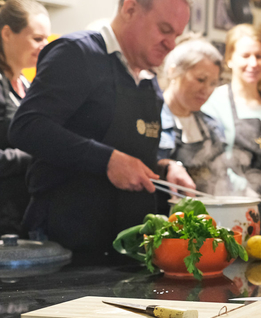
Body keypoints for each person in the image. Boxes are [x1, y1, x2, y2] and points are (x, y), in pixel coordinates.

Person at [8, 0, 195, 254]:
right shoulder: (78, 53)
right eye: (164, 29)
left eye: (177, 35)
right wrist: (107, 161)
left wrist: (166, 168)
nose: (171, 44)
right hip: (68, 241)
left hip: (129, 242)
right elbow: (27, 127)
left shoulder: (149, 80)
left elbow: (132, 152)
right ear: (130, 9)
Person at [202, 24, 261, 196]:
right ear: (229, 60)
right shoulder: (215, 102)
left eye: (259, 56)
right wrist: (244, 193)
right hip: (238, 203)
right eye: (245, 56)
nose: (253, 63)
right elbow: (215, 162)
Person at [0, 0, 49, 237]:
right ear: (7, 33)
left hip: (23, 212)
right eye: (37, 39)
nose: (45, 46)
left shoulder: (27, 86)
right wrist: (33, 156)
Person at [159, 37, 229, 195]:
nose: (206, 90)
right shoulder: (151, 122)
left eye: (213, 83)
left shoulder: (213, 128)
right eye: (200, 79)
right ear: (173, 72)